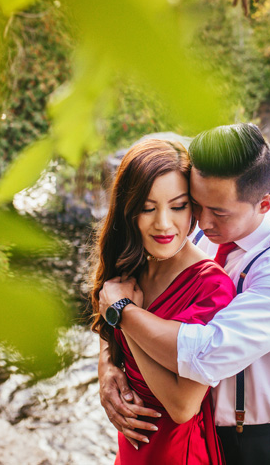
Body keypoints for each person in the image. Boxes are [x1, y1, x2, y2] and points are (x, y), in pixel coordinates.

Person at [98, 123, 270, 465]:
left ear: (264, 204)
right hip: (203, 432)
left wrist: (122, 313)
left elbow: (202, 352)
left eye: (218, 211)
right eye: (196, 205)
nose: (202, 222)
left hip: (264, 441)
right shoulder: (199, 229)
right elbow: (118, 291)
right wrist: (108, 364)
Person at [90, 138, 235, 464]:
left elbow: (183, 406)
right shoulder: (131, 263)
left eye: (178, 205)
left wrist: (125, 316)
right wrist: (107, 363)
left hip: (177, 454)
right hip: (132, 450)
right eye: (147, 207)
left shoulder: (211, 287)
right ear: (129, 212)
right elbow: (105, 321)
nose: (164, 224)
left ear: (193, 207)